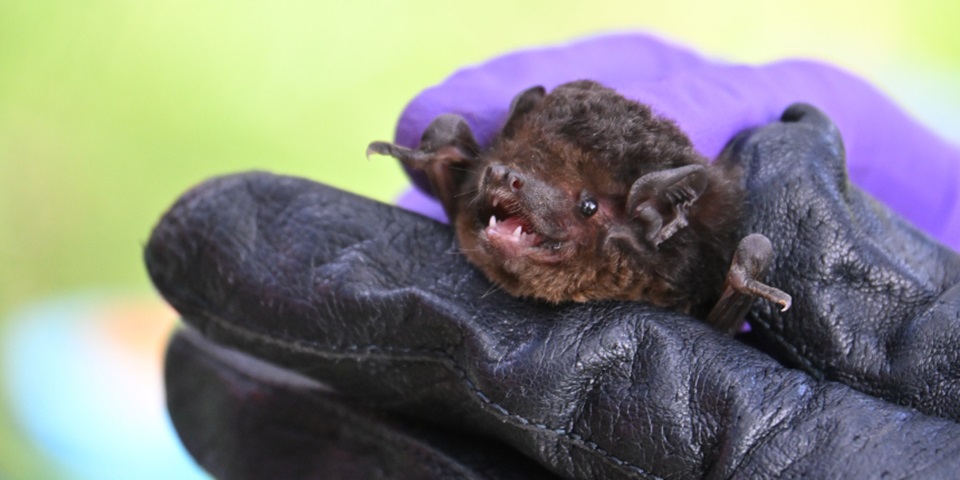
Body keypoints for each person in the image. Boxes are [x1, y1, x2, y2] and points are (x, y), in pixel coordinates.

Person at [151, 33, 960, 479]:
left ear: (653, 218)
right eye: (510, 158)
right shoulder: (487, 190)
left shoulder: (672, 268)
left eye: (582, 203)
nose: (506, 178)